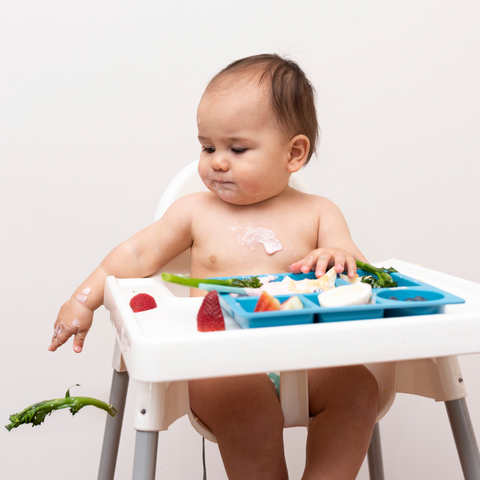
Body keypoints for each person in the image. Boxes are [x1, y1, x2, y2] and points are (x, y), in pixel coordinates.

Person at [49, 54, 378, 480]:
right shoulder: (194, 212)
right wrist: (84, 300)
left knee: (357, 389)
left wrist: (338, 258)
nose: (217, 161)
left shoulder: (319, 213)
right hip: (221, 363)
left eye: (236, 149)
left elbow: (360, 272)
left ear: (294, 153)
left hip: (307, 356)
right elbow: (134, 256)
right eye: (208, 147)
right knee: (249, 408)